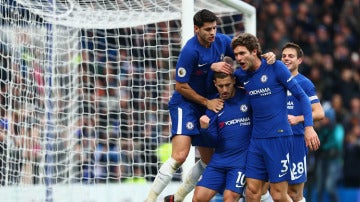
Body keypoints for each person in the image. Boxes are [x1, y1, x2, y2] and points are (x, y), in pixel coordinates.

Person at [144, 9, 234, 202]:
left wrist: (263, 55)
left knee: (210, 161)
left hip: (207, 105)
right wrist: (207, 100)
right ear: (196, 29)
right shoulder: (190, 51)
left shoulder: (221, 41)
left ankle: (176, 198)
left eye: (215, 28)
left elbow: (243, 49)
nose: (212, 33)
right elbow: (180, 86)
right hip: (186, 104)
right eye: (208, 29)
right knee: (180, 155)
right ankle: (149, 199)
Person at [231, 33, 320, 202]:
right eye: (236, 55)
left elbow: (302, 97)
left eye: (242, 53)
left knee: (279, 195)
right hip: (256, 140)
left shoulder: (275, 67)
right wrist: (218, 66)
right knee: (251, 192)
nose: (238, 58)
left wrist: (308, 127)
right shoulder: (242, 75)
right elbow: (223, 80)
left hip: (278, 138)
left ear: (254, 51)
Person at [192, 72, 252, 202]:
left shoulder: (247, 97)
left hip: (240, 163)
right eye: (220, 86)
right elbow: (212, 141)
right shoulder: (214, 105)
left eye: (227, 85)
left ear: (234, 81)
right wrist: (205, 129)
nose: (224, 89)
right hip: (219, 161)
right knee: (198, 198)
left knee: (229, 198)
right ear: (215, 84)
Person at [281, 42, 324, 202]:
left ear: (299, 60)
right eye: (284, 56)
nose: (286, 59)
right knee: (274, 190)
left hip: (296, 141)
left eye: (291, 56)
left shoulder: (304, 83)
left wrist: (298, 119)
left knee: (293, 193)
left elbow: (319, 113)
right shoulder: (275, 81)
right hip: (275, 140)